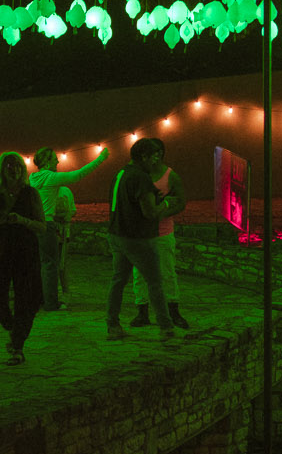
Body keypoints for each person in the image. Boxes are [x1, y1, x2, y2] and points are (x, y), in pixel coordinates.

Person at [106, 137, 177, 340]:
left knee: (118, 281)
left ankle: (112, 325)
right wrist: (165, 205)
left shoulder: (120, 174)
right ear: (143, 156)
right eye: (154, 156)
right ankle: (166, 326)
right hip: (137, 238)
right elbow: (149, 211)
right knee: (155, 282)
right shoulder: (141, 177)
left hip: (117, 234)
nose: (157, 160)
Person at [0, 153, 45, 363]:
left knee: (25, 299)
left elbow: (42, 226)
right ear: (2, 170)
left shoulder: (30, 194)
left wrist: (22, 220)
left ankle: (18, 346)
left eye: (17, 166)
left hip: (25, 250)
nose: (14, 169)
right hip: (2, 249)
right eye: (9, 166)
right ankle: (13, 327)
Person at [27, 146, 109, 312]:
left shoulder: (32, 178)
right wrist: (100, 159)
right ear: (46, 161)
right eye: (53, 158)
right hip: (47, 224)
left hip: (33, 225)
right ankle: (51, 303)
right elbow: (77, 175)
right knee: (51, 264)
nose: (57, 161)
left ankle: (38, 300)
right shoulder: (50, 177)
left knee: (39, 263)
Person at [128, 140, 190, 329]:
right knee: (139, 274)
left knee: (167, 272)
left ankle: (173, 310)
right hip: (141, 234)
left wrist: (163, 212)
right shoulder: (138, 175)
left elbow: (181, 201)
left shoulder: (171, 176)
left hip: (163, 232)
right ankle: (142, 311)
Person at [52, 182, 78, 302]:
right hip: (50, 232)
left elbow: (72, 210)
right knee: (50, 265)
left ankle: (65, 292)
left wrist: (66, 215)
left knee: (62, 265)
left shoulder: (65, 191)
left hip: (63, 233)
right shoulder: (44, 190)